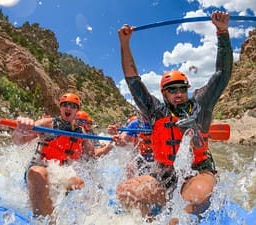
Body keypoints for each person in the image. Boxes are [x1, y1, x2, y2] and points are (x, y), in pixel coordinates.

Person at [116, 11, 232, 224]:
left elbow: (221, 75)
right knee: (125, 191)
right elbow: (133, 81)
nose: (178, 93)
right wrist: (125, 43)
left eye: (182, 88)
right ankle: (149, 220)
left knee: (193, 196)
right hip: (165, 175)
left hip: (198, 171)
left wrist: (222, 32)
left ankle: (179, 214)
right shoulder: (155, 111)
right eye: (172, 90)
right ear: (164, 94)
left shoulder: (200, 104)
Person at [12, 93, 95, 220]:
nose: (68, 108)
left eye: (72, 106)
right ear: (60, 108)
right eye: (65, 105)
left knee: (78, 183)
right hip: (39, 170)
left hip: (60, 172)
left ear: (76, 110)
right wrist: (20, 131)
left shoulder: (80, 132)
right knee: (38, 172)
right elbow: (20, 141)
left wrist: (112, 145)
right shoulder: (47, 124)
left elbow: (92, 155)